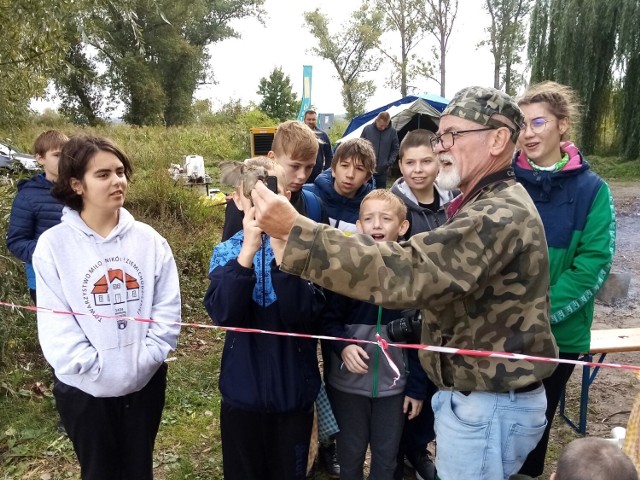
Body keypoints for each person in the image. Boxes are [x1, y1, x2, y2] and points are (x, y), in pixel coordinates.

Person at [250, 86, 559, 480]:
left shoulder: (497, 214)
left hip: (488, 406)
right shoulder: (485, 203)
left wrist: (297, 233)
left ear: (498, 140)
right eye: (440, 136)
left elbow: (408, 271)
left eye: (453, 135)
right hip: (480, 402)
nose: (443, 146)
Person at [33, 135, 181, 480]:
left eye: (120, 172)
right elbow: (57, 325)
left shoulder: (150, 241)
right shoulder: (54, 247)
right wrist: (94, 368)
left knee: (138, 468)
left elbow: (167, 310)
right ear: (76, 184)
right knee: (99, 472)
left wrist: (145, 360)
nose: (117, 181)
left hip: (144, 383)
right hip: (84, 390)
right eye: (103, 174)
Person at [218, 120, 337, 477]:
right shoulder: (239, 213)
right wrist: (249, 248)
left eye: (309, 167)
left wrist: (288, 252)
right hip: (245, 381)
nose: (301, 175)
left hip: (292, 380)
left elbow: (313, 306)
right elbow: (225, 304)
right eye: (293, 166)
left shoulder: (314, 208)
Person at [514, 81, 616, 478]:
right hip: (499, 332)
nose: (529, 132)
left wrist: (532, 314)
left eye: (538, 122)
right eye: (522, 124)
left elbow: (593, 266)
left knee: (535, 424)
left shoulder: (594, 191)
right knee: (496, 420)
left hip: (559, 336)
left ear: (562, 125)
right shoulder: (505, 182)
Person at [321, 189, 424, 480]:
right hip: (347, 386)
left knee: (387, 457)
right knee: (350, 455)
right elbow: (328, 322)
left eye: (386, 218)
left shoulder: (413, 273)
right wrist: (343, 347)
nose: (377, 225)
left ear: (402, 227)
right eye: (369, 218)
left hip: (395, 388)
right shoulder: (344, 270)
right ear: (359, 225)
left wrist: (416, 388)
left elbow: (422, 334)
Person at [390, 129, 457, 480]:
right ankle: (396, 454)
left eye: (426, 161)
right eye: (410, 162)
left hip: (446, 313)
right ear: (400, 164)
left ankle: (418, 448)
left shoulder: (456, 201)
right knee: (406, 390)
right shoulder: (391, 204)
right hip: (406, 313)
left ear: (438, 161)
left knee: (434, 386)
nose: (418, 170)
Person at [7, 130, 68, 304]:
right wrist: (51, 253)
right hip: (43, 280)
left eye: (67, 155)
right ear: (40, 158)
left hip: (80, 275)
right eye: (57, 155)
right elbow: (16, 242)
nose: (63, 160)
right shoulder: (27, 196)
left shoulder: (81, 189)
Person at [303, 137, 375, 233]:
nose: (350, 175)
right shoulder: (305, 195)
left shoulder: (372, 209)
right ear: (333, 169)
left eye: (359, 169)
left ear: (367, 177)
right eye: (345, 165)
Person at [360, 111, 399, 189]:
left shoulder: (392, 132)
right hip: (367, 169)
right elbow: (360, 147)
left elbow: (395, 149)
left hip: (382, 170)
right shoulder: (367, 129)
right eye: (381, 125)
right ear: (376, 120)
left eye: (386, 126)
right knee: (365, 191)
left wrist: (389, 162)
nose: (383, 128)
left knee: (380, 194)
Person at [303, 109, 334, 183]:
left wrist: (326, 171)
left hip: (317, 174)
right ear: (304, 120)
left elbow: (329, 155)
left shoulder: (322, 135)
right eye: (309, 119)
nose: (311, 121)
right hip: (302, 172)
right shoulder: (299, 134)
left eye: (313, 119)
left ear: (316, 120)